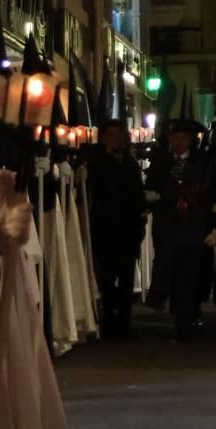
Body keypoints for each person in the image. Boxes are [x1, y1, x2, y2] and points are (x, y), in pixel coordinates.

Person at [145, 120, 216, 340]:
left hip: (192, 227)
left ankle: (184, 318)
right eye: (175, 137)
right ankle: (163, 300)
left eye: (183, 138)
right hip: (167, 225)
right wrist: (164, 198)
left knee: (189, 273)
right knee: (167, 267)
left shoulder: (202, 163)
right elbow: (150, 189)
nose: (178, 142)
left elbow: (208, 193)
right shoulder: (161, 163)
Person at [89, 119, 147, 338]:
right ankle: (109, 321)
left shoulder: (130, 164)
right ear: (103, 138)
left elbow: (136, 193)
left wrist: (140, 217)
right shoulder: (97, 163)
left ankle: (123, 323)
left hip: (127, 230)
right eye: (111, 135)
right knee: (106, 279)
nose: (116, 139)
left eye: (119, 135)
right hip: (105, 230)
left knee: (125, 279)